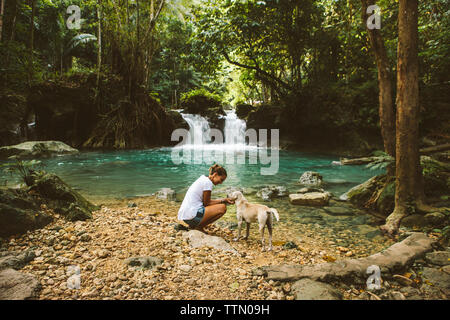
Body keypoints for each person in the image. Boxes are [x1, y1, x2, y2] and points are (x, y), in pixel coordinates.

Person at [178, 164, 234, 233]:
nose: (221, 183)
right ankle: (198, 227)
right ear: (215, 174)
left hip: (186, 216)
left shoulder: (203, 178)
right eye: (221, 179)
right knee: (222, 208)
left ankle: (193, 226)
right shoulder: (208, 183)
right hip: (191, 216)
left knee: (218, 206)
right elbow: (207, 203)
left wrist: (224, 200)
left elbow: (205, 202)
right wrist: (223, 201)